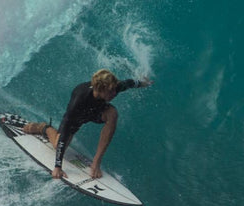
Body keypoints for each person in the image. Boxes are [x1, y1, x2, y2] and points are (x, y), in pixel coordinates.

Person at [21, 69, 152, 181]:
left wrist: (144, 83)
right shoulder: (79, 99)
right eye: (110, 91)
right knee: (58, 146)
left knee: (112, 113)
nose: (114, 93)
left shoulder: (114, 87)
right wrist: (57, 166)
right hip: (77, 118)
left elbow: (129, 83)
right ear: (100, 89)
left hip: (97, 111)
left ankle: (96, 161)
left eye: (114, 89)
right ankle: (44, 128)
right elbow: (66, 128)